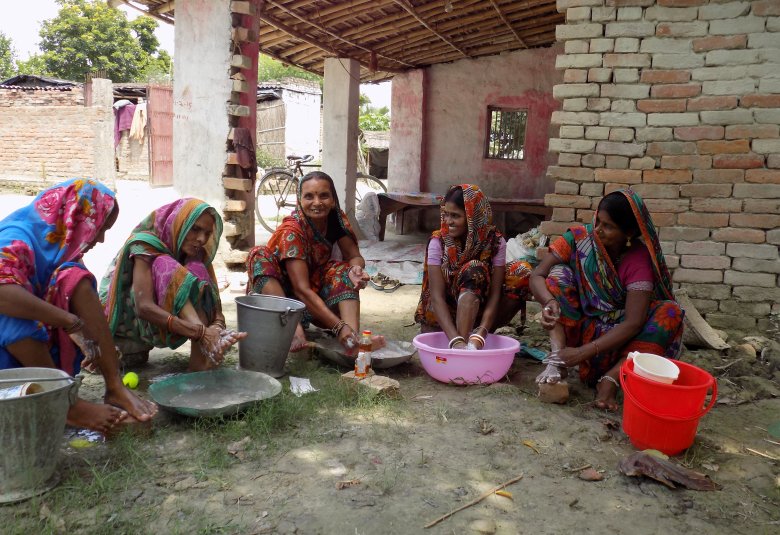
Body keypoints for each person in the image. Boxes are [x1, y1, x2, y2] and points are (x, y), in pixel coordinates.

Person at [0, 178, 157, 435]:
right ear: (77, 217)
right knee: (11, 314)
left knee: (75, 278)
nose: (103, 239)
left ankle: (115, 387)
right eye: (100, 227)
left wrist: (86, 337)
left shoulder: (54, 248)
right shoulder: (14, 238)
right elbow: (3, 294)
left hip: (22, 355)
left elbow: (71, 293)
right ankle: (65, 405)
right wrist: (69, 321)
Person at [529, 188, 684, 411]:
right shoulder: (579, 239)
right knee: (558, 275)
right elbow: (537, 275)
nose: (598, 231)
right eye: (598, 221)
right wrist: (549, 302)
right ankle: (557, 362)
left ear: (628, 232)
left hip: (617, 343)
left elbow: (633, 322)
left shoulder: (638, 259)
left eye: (608, 226)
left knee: (670, 312)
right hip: (581, 330)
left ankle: (612, 378)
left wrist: (584, 352)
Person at [100, 199, 246, 371]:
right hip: (128, 318)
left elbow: (215, 306)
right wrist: (202, 333)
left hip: (166, 321)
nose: (201, 239)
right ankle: (205, 343)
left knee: (196, 270)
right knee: (165, 265)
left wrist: (217, 328)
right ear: (179, 223)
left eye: (207, 233)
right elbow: (144, 307)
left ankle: (199, 363)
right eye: (195, 229)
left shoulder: (196, 254)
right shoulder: (144, 244)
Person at [247, 171, 377, 355]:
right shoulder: (292, 231)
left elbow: (354, 255)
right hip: (280, 298)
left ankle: (351, 340)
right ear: (300, 200)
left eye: (324, 195)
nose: (317, 203)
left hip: (312, 292)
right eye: (309, 196)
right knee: (258, 254)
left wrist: (356, 268)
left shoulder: (335, 218)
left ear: (333, 199)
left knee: (344, 270)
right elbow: (301, 289)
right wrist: (338, 326)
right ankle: (293, 328)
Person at [415, 184, 532, 348]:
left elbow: (495, 295)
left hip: (479, 308)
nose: (448, 221)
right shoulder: (438, 242)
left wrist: (482, 332)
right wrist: (456, 341)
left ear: (473, 217)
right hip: (445, 314)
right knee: (474, 269)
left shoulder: (495, 242)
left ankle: (475, 337)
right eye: (445, 214)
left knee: (522, 272)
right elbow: (436, 297)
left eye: (455, 216)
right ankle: (461, 344)